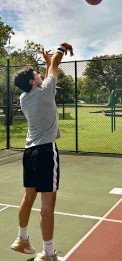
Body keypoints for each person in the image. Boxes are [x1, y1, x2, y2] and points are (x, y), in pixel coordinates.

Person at [11, 42, 73, 261]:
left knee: (29, 197)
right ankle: (48, 253)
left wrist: (47, 65)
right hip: (46, 152)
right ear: (32, 81)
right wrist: (61, 48)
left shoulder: (24, 98)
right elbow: (56, 65)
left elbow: (48, 74)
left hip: (29, 153)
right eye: (36, 74)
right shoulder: (46, 93)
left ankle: (21, 238)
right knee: (48, 204)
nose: (40, 75)